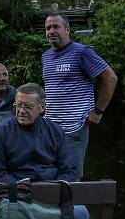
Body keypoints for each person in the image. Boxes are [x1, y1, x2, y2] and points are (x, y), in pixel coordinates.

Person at [0, 83, 90, 219]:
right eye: (18, 105)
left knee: (80, 213)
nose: (21, 110)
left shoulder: (55, 130)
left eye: (27, 106)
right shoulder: (2, 131)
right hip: (19, 194)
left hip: (53, 193)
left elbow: (69, 169)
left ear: (42, 107)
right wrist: (22, 188)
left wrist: (55, 189)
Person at [42, 13, 117, 180]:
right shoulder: (46, 56)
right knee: (48, 174)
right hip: (49, 129)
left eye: (56, 27)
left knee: (71, 179)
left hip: (74, 128)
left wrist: (98, 110)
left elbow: (110, 78)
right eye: (48, 28)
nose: (51, 31)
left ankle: (71, 206)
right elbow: (53, 87)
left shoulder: (82, 52)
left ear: (67, 30)